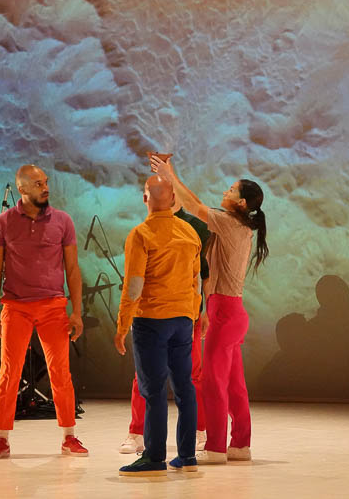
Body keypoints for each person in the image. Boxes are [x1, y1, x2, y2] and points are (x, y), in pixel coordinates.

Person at [151, 155, 269, 464]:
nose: (224, 192)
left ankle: (216, 447)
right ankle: (240, 444)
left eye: (231, 190)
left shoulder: (229, 223)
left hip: (225, 313)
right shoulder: (240, 225)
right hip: (233, 312)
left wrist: (169, 174)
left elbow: (193, 205)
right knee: (235, 385)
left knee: (215, 383)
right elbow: (195, 205)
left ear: (241, 203)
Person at [0, 165, 88, 459]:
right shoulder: (2, 222)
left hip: (53, 306)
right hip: (15, 307)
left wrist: (76, 312)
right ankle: (1, 438)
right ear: (22, 189)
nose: (45, 187)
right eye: (38, 183)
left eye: (46, 182)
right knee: (8, 373)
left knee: (60, 373)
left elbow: (72, 269)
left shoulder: (63, 221)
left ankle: (69, 436)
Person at [114, 175, 202, 476]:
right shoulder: (190, 232)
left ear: (145, 199)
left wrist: (122, 326)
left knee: (153, 391)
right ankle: (187, 456)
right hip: (182, 320)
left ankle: (154, 457)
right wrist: (192, 313)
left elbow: (134, 286)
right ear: (174, 198)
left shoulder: (141, 234)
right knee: (185, 387)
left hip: (151, 320)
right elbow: (195, 280)